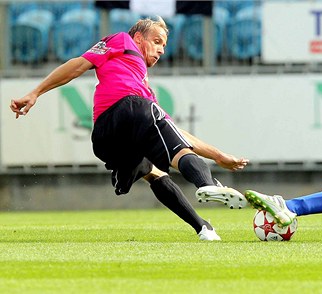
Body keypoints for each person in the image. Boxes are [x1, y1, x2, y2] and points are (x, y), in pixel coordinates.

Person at [10, 16, 248, 241]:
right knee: (178, 152)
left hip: (105, 138)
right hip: (128, 109)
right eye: (156, 42)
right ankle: (206, 185)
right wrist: (35, 93)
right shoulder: (122, 40)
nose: (161, 50)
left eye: (164, 46)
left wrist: (218, 156)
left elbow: (177, 133)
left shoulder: (145, 89)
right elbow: (77, 65)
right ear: (138, 39)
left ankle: (202, 227)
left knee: (155, 172)